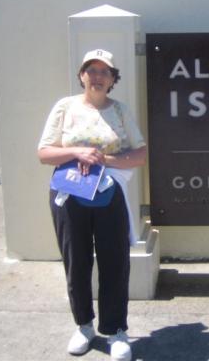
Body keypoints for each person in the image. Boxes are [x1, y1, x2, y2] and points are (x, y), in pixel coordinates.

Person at [37, 49, 146, 360]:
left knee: (115, 261)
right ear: (82, 75)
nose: (97, 77)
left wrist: (102, 159)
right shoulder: (65, 107)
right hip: (70, 196)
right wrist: (78, 153)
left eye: (104, 72)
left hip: (109, 195)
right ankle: (84, 325)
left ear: (112, 79)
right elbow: (44, 153)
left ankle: (116, 331)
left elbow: (139, 155)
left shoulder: (121, 111)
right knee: (77, 260)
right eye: (91, 70)